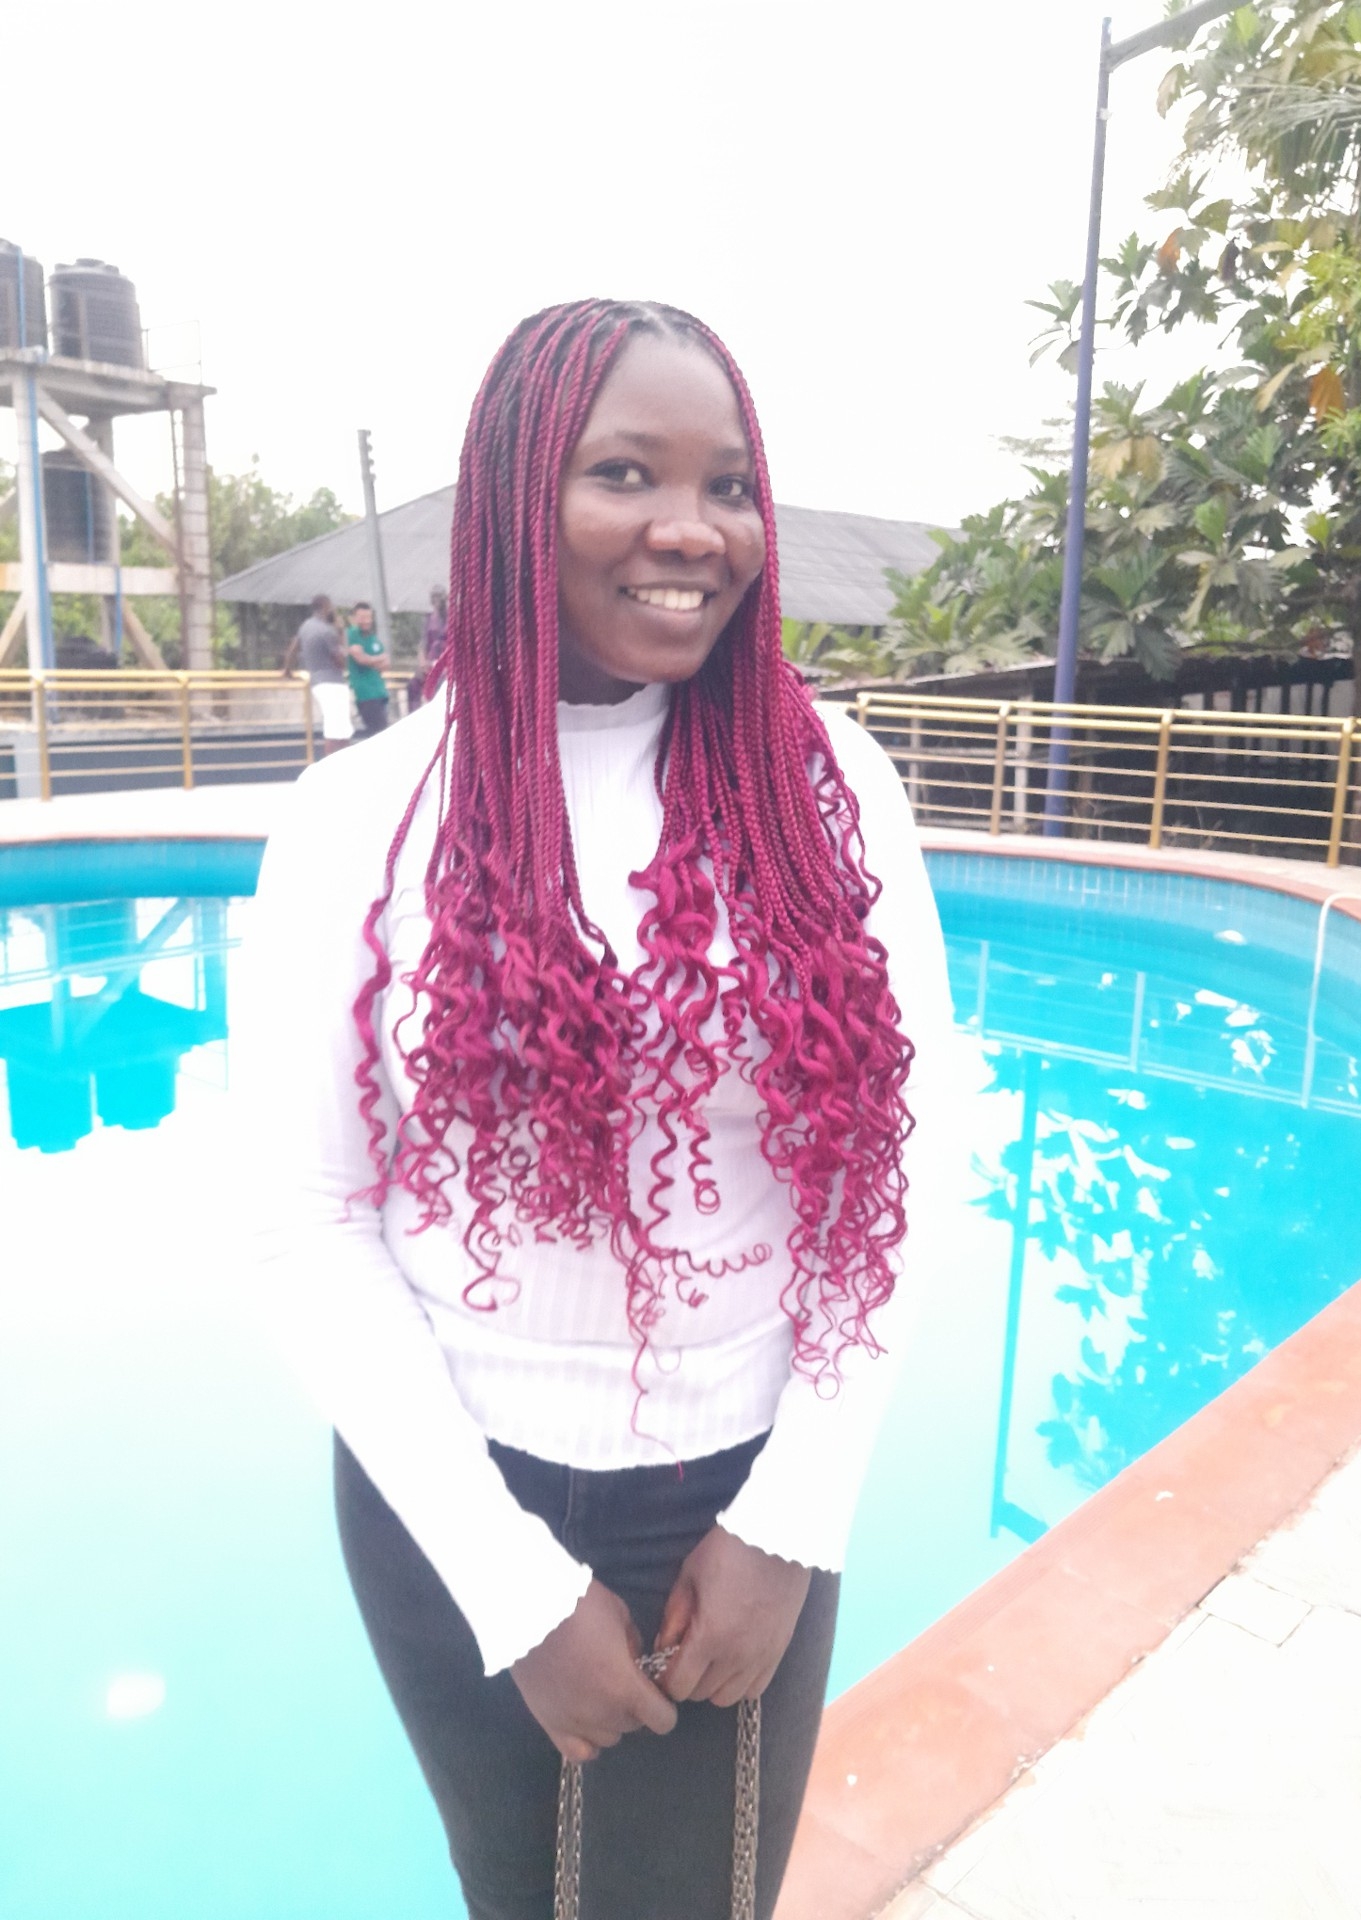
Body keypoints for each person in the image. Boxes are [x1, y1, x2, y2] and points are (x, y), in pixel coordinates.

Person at [238, 300, 955, 1920]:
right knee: (513, 1895)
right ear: (514, 495)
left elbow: (899, 1176)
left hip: (741, 1490)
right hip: (451, 1492)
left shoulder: (831, 788)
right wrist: (510, 1584)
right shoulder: (358, 818)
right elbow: (306, 1223)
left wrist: (792, 1519)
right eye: (627, 472)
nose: (692, 530)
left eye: (729, 486)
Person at [282, 594, 352, 754]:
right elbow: (341, 661)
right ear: (326, 607)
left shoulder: (305, 626)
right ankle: (335, 763)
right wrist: (341, 634)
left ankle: (338, 761)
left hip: (316, 681)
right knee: (339, 730)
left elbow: (293, 648)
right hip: (333, 682)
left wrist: (287, 669)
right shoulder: (328, 631)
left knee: (334, 726)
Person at [345, 600, 391, 735]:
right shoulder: (351, 634)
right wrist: (378, 659)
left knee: (383, 731)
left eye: (368, 617)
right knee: (378, 734)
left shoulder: (373, 638)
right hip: (365, 694)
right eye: (362, 617)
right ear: (354, 618)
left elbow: (386, 664)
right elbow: (360, 659)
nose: (366, 621)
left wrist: (371, 660)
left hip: (380, 692)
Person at [408, 584, 448, 709]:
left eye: (439, 597)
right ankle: (414, 712)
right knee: (413, 684)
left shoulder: (453, 617)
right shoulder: (429, 619)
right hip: (430, 662)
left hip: (445, 663)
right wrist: (422, 662)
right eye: (434, 597)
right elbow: (423, 643)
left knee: (440, 684)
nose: (437, 600)